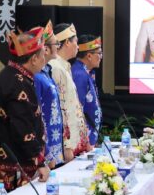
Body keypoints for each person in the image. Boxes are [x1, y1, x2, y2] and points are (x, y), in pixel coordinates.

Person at [0, 26, 50, 195]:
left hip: (11, 161)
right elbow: (23, 127)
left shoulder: (12, 75)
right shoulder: (17, 81)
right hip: (12, 167)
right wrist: (39, 161)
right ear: (34, 59)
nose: (45, 59)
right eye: (42, 55)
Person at [50, 23, 90, 159]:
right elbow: (58, 108)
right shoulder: (55, 67)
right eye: (76, 42)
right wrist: (66, 144)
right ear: (67, 42)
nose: (78, 47)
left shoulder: (64, 66)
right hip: (66, 146)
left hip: (73, 143)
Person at [33, 21, 65, 169]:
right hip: (47, 151)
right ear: (45, 49)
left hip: (55, 145)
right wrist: (46, 155)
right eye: (56, 43)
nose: (58, 46)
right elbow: (36, 116)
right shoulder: (37, 77)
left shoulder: (46, 73)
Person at [72, 34, 103, 146]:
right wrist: (85, 142)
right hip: (83, 141)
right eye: (99, 53)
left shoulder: (86, 72)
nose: (101, 57)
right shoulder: (79, 74)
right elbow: (78, 109)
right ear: (89, 56)